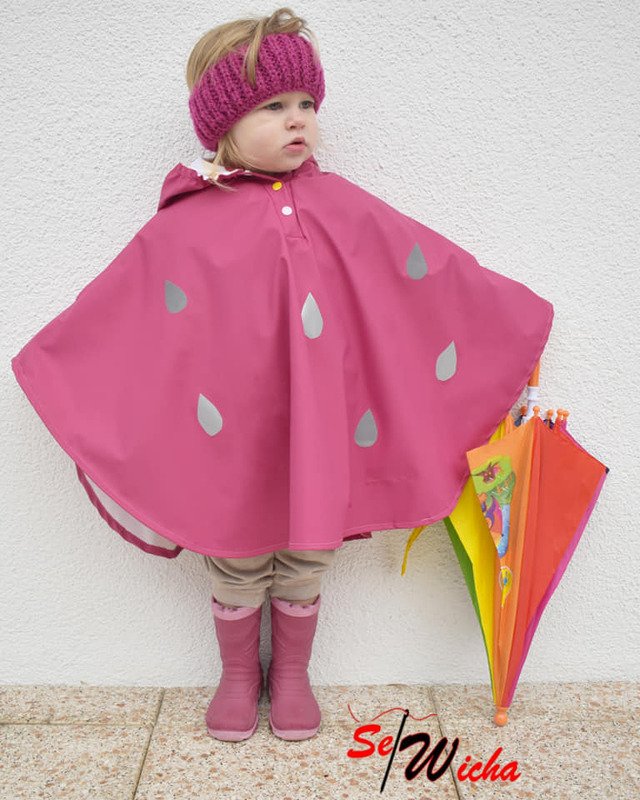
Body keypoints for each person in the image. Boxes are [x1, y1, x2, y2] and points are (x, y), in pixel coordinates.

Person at [10, 7, 554, 743]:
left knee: (307, 552)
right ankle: (239, 676)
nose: (298, 119)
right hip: (230, 434)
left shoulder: (343, 206)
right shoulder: (186, 222)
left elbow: (426, 271)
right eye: (272, 107)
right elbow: (125, 303)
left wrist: (510, 321)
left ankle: (292, 675)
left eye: (306, 104)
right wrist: (59, 358)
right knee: (235, 553)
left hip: (320, 421)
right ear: (222, 126)